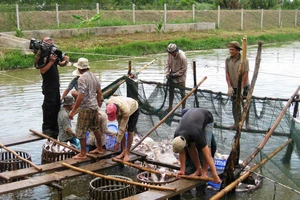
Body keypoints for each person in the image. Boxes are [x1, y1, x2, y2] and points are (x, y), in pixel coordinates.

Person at [171, 108, 221, 184]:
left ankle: (204, 171)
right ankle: (198, 169)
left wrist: (215, 176)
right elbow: (182, 153)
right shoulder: (177, 135)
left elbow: (208, 155)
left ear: (185, 143)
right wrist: (182, 170)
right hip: (192, 122)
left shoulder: (196, 134)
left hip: (207, 118)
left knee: (207, 146)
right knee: (191, 147)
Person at [68, 58, 104, 159]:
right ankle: (100, 148)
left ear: (79, 68)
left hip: (86, 108)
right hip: (93, 107)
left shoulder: (82, 79)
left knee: (80, 130)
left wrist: (73, 110)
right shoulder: (94, 76)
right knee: (96, 128)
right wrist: (97, 106)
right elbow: (99, 93)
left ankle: (83, 153)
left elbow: (81, 95)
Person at [37, 37, 69, 138]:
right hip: (48, 86)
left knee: (56, 105)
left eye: (52, 41)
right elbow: (42, 70)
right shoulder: (43, 56)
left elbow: (61, 64)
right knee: (48, 107)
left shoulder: (53, 54)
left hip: (56, 86)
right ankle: (47, 128)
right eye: (49, 42)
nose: (51, 43)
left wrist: (66, 61)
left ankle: (55, 127)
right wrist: (51, 61)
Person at [225, 41, 250, 130]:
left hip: (244, 86)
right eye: (230, 49)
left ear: (237, 50)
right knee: (234, 105)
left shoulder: (244, 60)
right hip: (233, 86)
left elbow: (245, 74)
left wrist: (242, 87)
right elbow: (227, 74)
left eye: (232, 50)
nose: (230, 51)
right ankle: (236, 123)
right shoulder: (227, 60)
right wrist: (229, 86)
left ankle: (247, 123)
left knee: (245, 105)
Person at [105, 96, 139, 162]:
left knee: (130, 131)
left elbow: (122, 129)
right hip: (122, 105)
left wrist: (117, 143)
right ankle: (123, 151)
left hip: (133, 108)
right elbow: (120, 129)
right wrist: (118, 140)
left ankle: (127, 153)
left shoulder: (125, 111)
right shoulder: (108, 104)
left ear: (117, 111)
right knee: (121, 129)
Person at [165, 43, 187, 112]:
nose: (171, 54)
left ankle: (183, 108)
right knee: (171, 92)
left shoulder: (182, 57)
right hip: (171, 76)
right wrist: (167, 73)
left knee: (182, 94)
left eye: (172, 53)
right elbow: (167, 64)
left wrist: (175, 74)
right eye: (170, 53)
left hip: (181, 78)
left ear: (175, 51)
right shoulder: (169, 55)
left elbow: (184, 69)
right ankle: (170, 107)